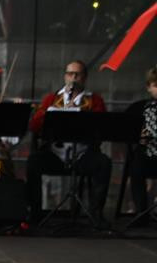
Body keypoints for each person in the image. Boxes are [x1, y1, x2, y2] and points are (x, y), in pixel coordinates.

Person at [26, 60, 111, 223]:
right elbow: (35, 126)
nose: (73, 78)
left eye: (77, 74)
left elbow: (101, 126)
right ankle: (35, 212)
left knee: (103, 163)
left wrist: (80, 115)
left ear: (84, 78)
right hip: (56, 154)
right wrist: (53, 113)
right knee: (33, 162)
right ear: (65, 76)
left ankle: (96, 214)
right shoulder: (52, 98)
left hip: (82, 154)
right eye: (70, 74)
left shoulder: (94, 100)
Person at [125, 66, 157, 225]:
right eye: (156, 85)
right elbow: (122, 128)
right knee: (137, 168)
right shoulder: (139, 108)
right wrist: (138, 137)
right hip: (146, 153)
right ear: (149, 87)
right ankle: (141, 213)